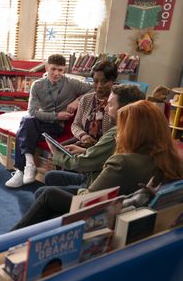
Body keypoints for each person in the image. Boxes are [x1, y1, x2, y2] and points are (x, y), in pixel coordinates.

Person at [12, 99, 183, 230]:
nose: (119, 134)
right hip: (130, 208)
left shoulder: (123, 162)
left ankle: (12, 237)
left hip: (106, 212)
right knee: (46, 194)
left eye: (123, 129)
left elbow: (88, 199)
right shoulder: (169, 158)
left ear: (135, 133)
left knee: (48, 194)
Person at [5, 54, 92, 188]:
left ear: (65, 70)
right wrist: (56, 115)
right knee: (27, 121)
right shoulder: (37, 85)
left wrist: (77, 100)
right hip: (41, 121)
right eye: (53, 69)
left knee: (23, 132)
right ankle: (28, 166)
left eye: (60, 70)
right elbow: (32, 111)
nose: (56, 73)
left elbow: (93, 89)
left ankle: (21, 170)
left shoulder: (72, 83)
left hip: (56, 127)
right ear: (47, 67)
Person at [43, 84, 145, 195]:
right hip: (97, 175)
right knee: (51, 176)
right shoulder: (138, 130)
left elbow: (83, 163)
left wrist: (55, 153)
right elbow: (106, 154)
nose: (105, 109)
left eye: (110, 105)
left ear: (123, 109)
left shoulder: (117, 134)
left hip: (96, 188)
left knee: (46, 193)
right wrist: (84, 150)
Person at [68, 61, 117, 147]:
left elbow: (117, 134)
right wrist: (83, 136)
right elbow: (75, 125)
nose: (99, 86)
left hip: (104, 149)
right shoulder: (86, 99)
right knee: (58, 152)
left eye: (104, 81)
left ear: (113, 81)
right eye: (95, 81)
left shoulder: (117, 102)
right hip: (83, 141)